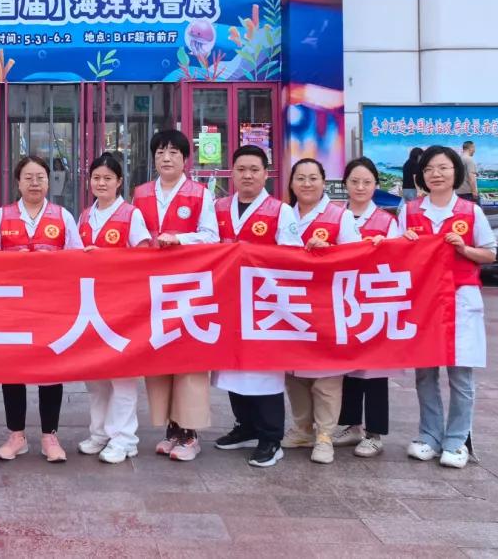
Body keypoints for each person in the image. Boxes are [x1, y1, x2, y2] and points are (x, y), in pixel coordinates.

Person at [0, 155, 82, 463]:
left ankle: (50, 436)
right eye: (28, 177)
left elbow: (77, 257)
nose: (35, 183)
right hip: (12, 308)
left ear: (48, 182)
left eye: (40, 177)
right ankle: (16, 436)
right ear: (18, 182)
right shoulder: (3, 215)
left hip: (51, 307)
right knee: (12, 370)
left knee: (51, 370)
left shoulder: (63, 216)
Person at [400, 145, 495, 468]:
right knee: (425, 373)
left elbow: (490, 253)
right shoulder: (410, 211)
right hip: (423, 301)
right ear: (421, 176)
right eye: (429, 169)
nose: (436, 174)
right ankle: (429, 436)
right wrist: (406, 245)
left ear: (456, 172)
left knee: (460, 374)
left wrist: (464, 249)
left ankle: (457, 440)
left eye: (443, 168)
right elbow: (395, 253)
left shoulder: (470, 212)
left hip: (460, 299)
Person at [212, 145, 303, 468]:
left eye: (254, 169)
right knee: (233, 366)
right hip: (228, 301)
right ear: (232, 173)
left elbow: (293, 255)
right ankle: (246, 426)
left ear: (266, 174)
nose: (247, 176)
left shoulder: (280, 211)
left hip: (265, 304)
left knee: (264, 370)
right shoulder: (219, 207)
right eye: (241, 169)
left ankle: (270, 438)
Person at [131, 129, 219, 462]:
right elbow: (133, 233)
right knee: (160, 356)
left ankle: (190, 433)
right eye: (160, 153)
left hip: (189, 286)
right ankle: (171, 429)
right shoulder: (141, 194)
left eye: (173, 153)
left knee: (189, 358)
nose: (166, 158)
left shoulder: (200, 194)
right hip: (153, 288)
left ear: (185, 160)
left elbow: (212, 236)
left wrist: (180, 240)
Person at [282, 158, 361, 465]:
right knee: (294, 372)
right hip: (291, 304)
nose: (306, 184)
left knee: (327, 375)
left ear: (323, 182)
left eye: (313, 178)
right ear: (291, 183)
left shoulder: (340, 216)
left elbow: (357, 257)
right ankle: (303, 429)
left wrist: (330, 252)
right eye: (300, 178)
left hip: (327, 304)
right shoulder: (284, 214)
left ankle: (325, 435)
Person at [76, 152, 152, 464]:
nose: (102, 183)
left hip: (122, 306)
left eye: (108, 178)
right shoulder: (84, 216)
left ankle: (124, 439)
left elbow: (144, 255)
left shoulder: (131, 214)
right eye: (96, 178)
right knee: (95, 378)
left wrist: (106, 258)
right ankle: (99, 433)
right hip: (91, 306)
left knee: (122, 377)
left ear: (119, 182)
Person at [333, 156, 402, 458]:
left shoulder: (387, 221)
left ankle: (375, 433)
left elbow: (399, 260)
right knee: (347, 368)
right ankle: (351, 425)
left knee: (374, 370)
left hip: (374, 300)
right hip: (343, 300)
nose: (360, 187)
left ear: (376, 185)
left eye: (367, 182)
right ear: (345, 184)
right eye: (354, 181)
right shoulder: (335, 215)